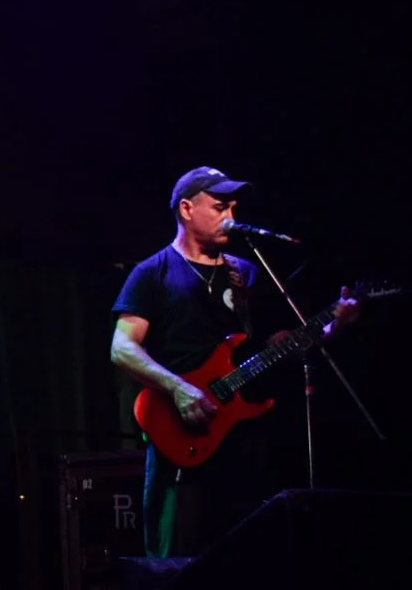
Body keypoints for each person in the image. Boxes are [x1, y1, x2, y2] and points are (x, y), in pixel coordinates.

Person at [110, 166, 358, 557]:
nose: (232, 218)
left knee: (246, 553)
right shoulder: (152, 273)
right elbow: (121, 348)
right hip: (181, 425)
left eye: (234, 208)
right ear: (187, 209)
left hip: (241, 434)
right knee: (179, 559)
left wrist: (331, 328)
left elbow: (278, 345)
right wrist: (179, 388)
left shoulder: (246, 274)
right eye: (221, 206)